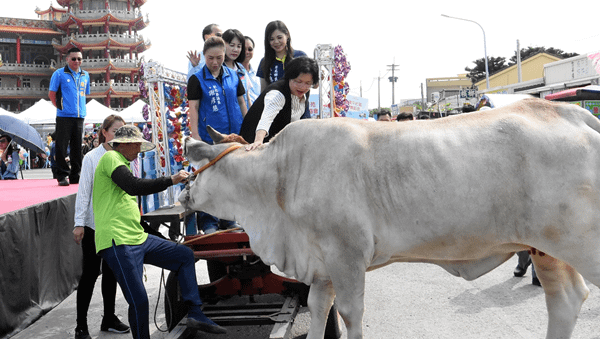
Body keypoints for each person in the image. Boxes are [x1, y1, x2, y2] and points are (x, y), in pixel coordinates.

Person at [92, 125, 226, 338]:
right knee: (139, 301)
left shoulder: (123, 164)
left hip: (136, 237)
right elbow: (133, 186)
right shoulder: (111, 159)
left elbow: (128, 199)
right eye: (136, 145)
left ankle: (195, 311)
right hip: (117, 241)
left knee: (184, 255)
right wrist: (170, 181)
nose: (138, 151)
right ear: (124, 145)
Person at [73, 115, 129, 339]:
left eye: (122, 131)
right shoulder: (91, 158)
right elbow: (83, 191)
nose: (119, 135)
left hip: (114, 224)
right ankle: (81, 326)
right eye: (115, 130)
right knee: (89, 274)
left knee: (112, 272)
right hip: (93, 225)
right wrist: (79, 223)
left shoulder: (124, 156)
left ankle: (109, 317)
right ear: (104, 132)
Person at [187, 36, 246, 234]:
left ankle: (230, 218)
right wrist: (195, 136)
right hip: (209, 139)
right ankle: (209, 221)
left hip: (234, 137)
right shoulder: (197, 79)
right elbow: (193, 108)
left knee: (232, 179)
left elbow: (242, 102)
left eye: (219, 57)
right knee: (210, 180)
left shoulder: (233, 75)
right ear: (204, 56)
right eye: (210, 58)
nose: (215, 62)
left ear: (224, 55)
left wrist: (248, 128)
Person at [240, 56, 317, 150]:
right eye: (298, 81)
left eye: (308, 83)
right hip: (254, 142)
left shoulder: (305, 92)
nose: (302, 87)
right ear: (289, 77)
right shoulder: (277, 93)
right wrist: (258, 141)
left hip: (280, 144)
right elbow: (266, 119)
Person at [48, 47, 90, 186]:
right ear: (67, 59)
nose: (76, 61)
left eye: (79, 59)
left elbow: (85, 94)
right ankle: (61, 175)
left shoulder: (85, 75)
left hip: (79, 116)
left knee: (77, 147)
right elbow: (52, 94)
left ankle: (76, 175)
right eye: (74, 58)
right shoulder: (59, 74)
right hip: (64, 116)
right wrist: (60, 107)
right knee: (61, 145)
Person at [257, 20, 307, 92]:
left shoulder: (300, 57)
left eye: (279, 37)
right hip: (274, 102)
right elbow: (263, 91)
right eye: (272, 39)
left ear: (287, 35)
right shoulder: (264, 62)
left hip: (297, 102)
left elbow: (313, 84)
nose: (276, 42)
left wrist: (318, 77)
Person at [222, 29, 254, 110]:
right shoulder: (218, 69)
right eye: (232, 45)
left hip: (243, 117)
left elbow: (247, 96)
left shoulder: (241, 69)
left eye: (239, 46)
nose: (235, 49)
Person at [242, 36, 261, 108]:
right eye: (243, 49)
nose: (247, 52)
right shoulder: (234, 72)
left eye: (250, 49)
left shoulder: (258, 73)